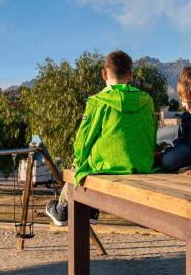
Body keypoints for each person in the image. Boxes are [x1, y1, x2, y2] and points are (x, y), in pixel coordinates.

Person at [45, 50, 157, 226]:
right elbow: (151, 131)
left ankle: (60, 209)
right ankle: (89, 210)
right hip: (142, 163)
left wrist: (78, 162)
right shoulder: (147, 100)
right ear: (130, 75)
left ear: (104, 73)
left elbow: (84, 139)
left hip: (107, 165)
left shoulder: (98, 101)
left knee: (80, 164)